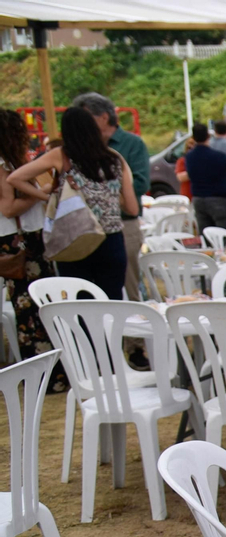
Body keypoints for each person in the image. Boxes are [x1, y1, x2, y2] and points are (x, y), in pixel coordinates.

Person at [8, 107, 137, 301]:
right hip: (112, 241)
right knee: (111, 303)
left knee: (81, 304)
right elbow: (132, 208)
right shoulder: (115, 158)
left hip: (75, 237)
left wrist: (47, 197)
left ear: (65, 132)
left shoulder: (62, 155)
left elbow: (15, 178)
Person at [0, 108, 61, 382]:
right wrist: (39, 197)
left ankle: (45, 369)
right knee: (32, 307)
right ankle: (45, 372)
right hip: (20, 241)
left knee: (34, 305)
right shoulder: (3, 164)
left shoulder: (12, 163)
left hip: (23, 238)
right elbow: (9, 207)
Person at [71, 93, 146, 300]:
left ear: (103, 117)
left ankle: (133, 331)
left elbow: (141, 182)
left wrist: (104, 196)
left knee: (128, 287)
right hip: (86, 228)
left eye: (87, 118)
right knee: (89, 290)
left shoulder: (130, 144)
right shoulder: (77, 150)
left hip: (123, 224)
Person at [184, 123, 226, 234]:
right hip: (219, 199)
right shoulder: (219, 156)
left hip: (198, 199)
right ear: (208, 136)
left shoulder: (189, 157)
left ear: (193, 138)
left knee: (206, 235)